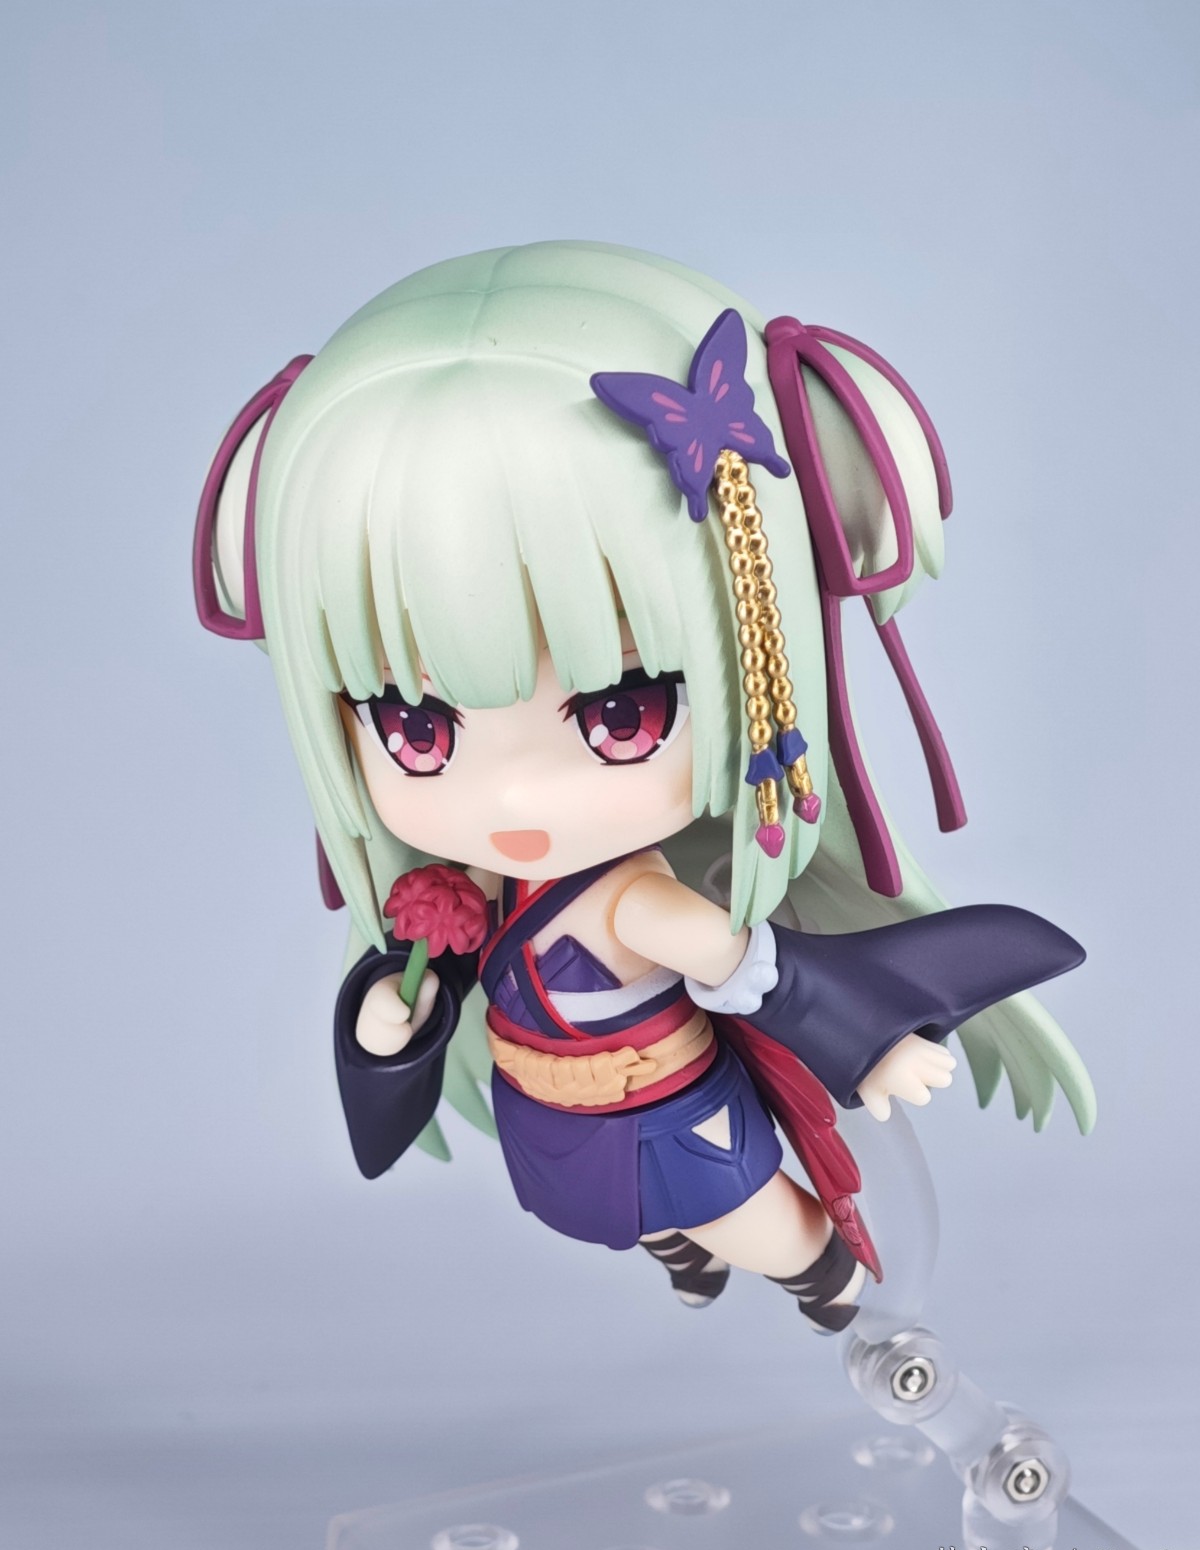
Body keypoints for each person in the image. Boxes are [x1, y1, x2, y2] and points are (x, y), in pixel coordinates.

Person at [193, 241, 1092, 1334]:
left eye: (621, 713)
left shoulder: (634, 903)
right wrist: (397, 1018)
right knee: (618, 1214)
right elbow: (446, 965)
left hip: (665, 1109)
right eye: (414, 728)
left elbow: (760, 972)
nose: (515, 795)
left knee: (762, 1225)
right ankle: (681, 1245)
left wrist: (868, 1043)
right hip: (555, 1115)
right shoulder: (484, 888)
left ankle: (834, 1290)